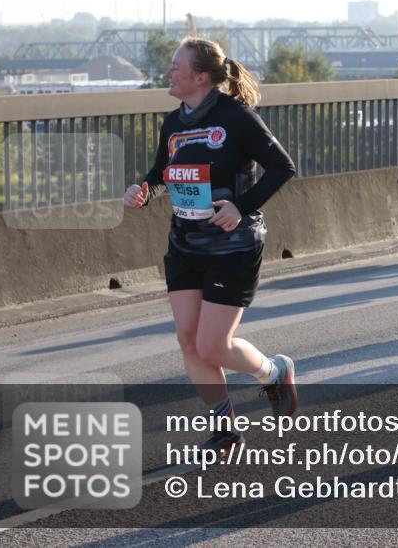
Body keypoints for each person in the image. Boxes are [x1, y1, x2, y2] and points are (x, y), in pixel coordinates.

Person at [123, 38, 297, 454]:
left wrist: (241, 206)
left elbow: (282, 167)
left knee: (212, 346)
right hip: (185, 242)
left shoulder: (236, 117)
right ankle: (225, 427)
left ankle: (273, 372)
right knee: (188, 340)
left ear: (200, 77)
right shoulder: (174, 122)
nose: (168, 72)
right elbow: (162, 170)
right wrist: (143, 188)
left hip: (233, 245)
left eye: (175, 66)